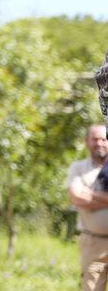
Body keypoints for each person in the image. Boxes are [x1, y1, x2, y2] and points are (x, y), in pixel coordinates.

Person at [67, 124, 108, 290]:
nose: (99, 143)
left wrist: (90, 195)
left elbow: (83, 196)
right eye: (94, 139)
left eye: (103, 139)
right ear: (86, 142)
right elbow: (76, 197)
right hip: (93, 244)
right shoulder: (78, 168)